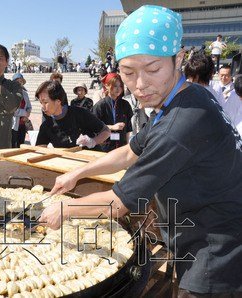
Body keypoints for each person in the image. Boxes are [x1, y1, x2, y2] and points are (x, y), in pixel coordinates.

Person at [39, 5, 242, 297]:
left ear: (179, 59)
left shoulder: (182, 122)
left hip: (217, 255)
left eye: (153, 69)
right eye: (129, 73)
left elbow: (119, 203)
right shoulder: (185, 97)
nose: (141, 85)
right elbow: (129, 153)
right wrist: (78, 172)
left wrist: (65, 208)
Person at [35, 80, 110, 149]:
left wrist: (93, 141)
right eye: (41, 103)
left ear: (58, 101)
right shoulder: (46, 125)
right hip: (68, 162)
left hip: (91, 160)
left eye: (45, 102)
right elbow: (40, 149)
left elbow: (106, 131)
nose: (42, 107)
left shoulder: (80, 113)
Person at [93, 73, 133, 152]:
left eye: (120, 86)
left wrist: (127, 145)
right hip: (105, 146)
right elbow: (94, 126)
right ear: (106, 86)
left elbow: (128, 128)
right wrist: (112, 127)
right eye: (115, 86)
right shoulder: (100, 105)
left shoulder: (125, 104)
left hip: (122, 145)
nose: (118, 89)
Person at [11, 73, 32, 148]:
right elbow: (13, 110)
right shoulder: (11, 93)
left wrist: (28, 113)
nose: (19, 83)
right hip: (13, 124)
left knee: (21, 145)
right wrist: (25, 113)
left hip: (22, 124)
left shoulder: (25, 93)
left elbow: (29, 106)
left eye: (21, 81)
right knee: (13, 145)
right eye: (17, 81)